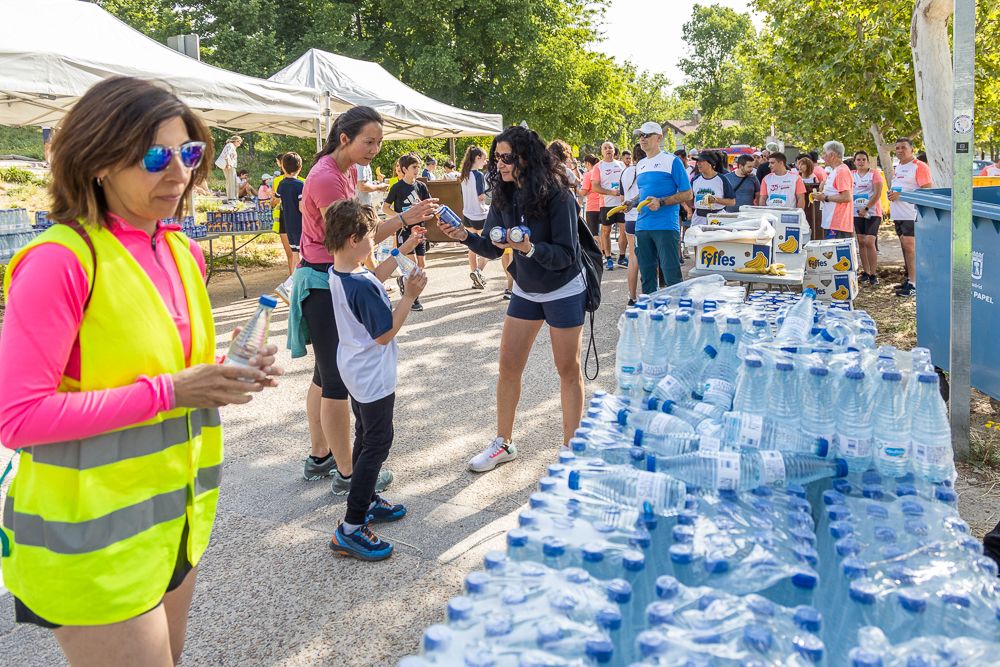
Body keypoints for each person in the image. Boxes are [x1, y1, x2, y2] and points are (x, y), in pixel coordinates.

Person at [0, 76, 281, 665]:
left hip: (174, 522)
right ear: (98, 161)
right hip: (90, 540)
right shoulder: (59, 261)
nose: (178, 173)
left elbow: (164, 371)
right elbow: (18, 418)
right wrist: (172, 391)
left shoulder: (181, 249)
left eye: (190, 153)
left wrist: (224, 369)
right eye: (155, 157)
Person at [291, 106, 437, 492]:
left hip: (328, 276)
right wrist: (404, 220)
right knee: (335, 381)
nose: (374, 149)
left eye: (379, 142)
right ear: (344, 138)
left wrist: (396, 246)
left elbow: (359, 236)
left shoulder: (349, 171)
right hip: (322, 282)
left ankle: (320, 456)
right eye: (368, 142)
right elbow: (351, 237)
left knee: (324, 375)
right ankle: (347, 473)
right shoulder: (326, 177)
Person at [438, 125, 585, 470]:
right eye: (496, 158)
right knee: (508, 366)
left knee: (567, 368)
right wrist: (463, 236)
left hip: (563, 287)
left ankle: (572, 448)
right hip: (526, 289)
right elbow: (492, 247)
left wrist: (530, 248)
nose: (500, 164)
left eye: (507, 158)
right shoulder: (504, 194)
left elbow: (566, 254)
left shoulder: (558, 195)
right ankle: (503, 443)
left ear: (526, 158)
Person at [324, 199, 426, 561]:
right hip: (372, 373)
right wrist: (410, 296)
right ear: (354, 240)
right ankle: (351, 527)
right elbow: (384, 334)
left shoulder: (342, 270)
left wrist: (403, 250)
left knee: (366, 435)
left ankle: (365, 499)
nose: (375, 241)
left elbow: (373, 277)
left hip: (355, 368)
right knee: (378, 441)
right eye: (371, 236)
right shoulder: (358, 283)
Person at [628, 121, 693, 293]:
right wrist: (631, 202)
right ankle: (650, 308)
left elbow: (687, 194)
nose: (642, 139)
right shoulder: (641, 164)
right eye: (640, 135)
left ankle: (676, 308)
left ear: (659, 138)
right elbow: (644, 193)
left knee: (671, 274)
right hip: (642, 226)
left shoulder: (672, 161)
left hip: (665, 226)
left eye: (647, 135)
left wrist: (661, 202)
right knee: (647, 275)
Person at [383, 154, 432, 311]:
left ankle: (404, 282)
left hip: (420, 230)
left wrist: (426, 209)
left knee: (421, 264)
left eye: (418, 167)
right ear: (404, 169)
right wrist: (400, 218)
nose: (417, 170)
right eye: (414, 167)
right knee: (413, 265)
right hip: (404, 231)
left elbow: (429, 205)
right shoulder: (397, 187)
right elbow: (385, 208)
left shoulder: (421, 186)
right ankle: (413, 299)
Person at [888, 137, 933, 297]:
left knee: (910, 247)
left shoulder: (919, 166)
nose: (900, 150)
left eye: (903, 147)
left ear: (912, 149)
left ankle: (915, 284)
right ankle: (910, 279)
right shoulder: (899, 166)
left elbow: (927, 191)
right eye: (897, 148)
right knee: (905, 247)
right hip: (898, 213)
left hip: (911, 213)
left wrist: (902, 195)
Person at [590, 141, 627, 270]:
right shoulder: (598, 167)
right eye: (605, 148)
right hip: (606, 204)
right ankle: (608, 257)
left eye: (610, 148)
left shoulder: (621, 164)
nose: (608, 150)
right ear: (602, 152)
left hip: (622, 203)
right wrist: (611, 192)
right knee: (606, 231)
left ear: (614, 150)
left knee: (624, 230)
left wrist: (624, 194)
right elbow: (595, 187)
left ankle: (622, 257)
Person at [274, 153, 305, 303]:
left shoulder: (282, 184)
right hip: (300, 225)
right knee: (304, 257)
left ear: (283, 167)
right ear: (300, 168)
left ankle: (293, 288)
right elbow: (301, 207)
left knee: (295, 255)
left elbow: (276, 199)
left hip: (288, 225)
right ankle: (289, 286)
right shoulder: (300, 185)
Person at [851, 150, 885, 285]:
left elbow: (877, 194)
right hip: (856, 213)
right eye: (858, 160)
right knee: (861, 241)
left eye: (863, 159)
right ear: (854, 162)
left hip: (872, 212)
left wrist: (866, 208)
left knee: (870, 241)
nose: (861, 162)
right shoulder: (851, 174)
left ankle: (873, 274)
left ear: (868, 161)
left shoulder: (874, 174)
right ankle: (865, 272)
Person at [460, 145, 491, 289]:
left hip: (467, 214)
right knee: (487, 248)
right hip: (480, 215)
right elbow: (481, 197)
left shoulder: (464, 174)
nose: (485, 162)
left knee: (472, 247)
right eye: (484, 159)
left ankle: (475, 277)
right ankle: (478, 272)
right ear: (477, 158)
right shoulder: (478, 175)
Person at [811, 141, 854, 239]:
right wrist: (822, 193)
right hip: (833, 223)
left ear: (832, 155)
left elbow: (846, 197)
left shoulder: (841, 171)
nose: (822, 157)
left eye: (824, 153)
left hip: (838, 223)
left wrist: (825, 197)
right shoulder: (836, 171)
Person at [621, 143, 645, 306]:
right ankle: (649, 294)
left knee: (633, 257)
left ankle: (632, 296)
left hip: (629, 218)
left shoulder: (625, 171)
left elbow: (622, 196)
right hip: (645, 217)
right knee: (650, 256)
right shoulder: (647, 169)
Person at [687, 151, 736, 226]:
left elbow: (732, 202)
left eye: (701, 161)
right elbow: (690, 202)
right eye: (697, 161)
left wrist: (715, 200)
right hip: (698, 219)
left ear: (711, 163)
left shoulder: (722, 179)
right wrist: (686, 198)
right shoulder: (695, 179)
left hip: (718, 218)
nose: (698, 164)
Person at [579, 154, 602, 243]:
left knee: (594, 234)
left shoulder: (588, 174)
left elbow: (583, 192)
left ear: (587, 163)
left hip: (592, 207)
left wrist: (575, 189)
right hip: (603, 205)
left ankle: (598, 251)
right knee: (604, 233)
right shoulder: (600, 172)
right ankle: (605, 251)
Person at [214, 135, 242, 201]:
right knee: (231, 181)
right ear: (235, 141)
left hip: (231, 166)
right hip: (229, 166)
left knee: (233, 181)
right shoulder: (230, 145)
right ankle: (231, 197)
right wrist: (228, 164)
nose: (240, 143)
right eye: (239, 142)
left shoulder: (232, 146)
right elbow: (227, 155)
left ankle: (233, 197)